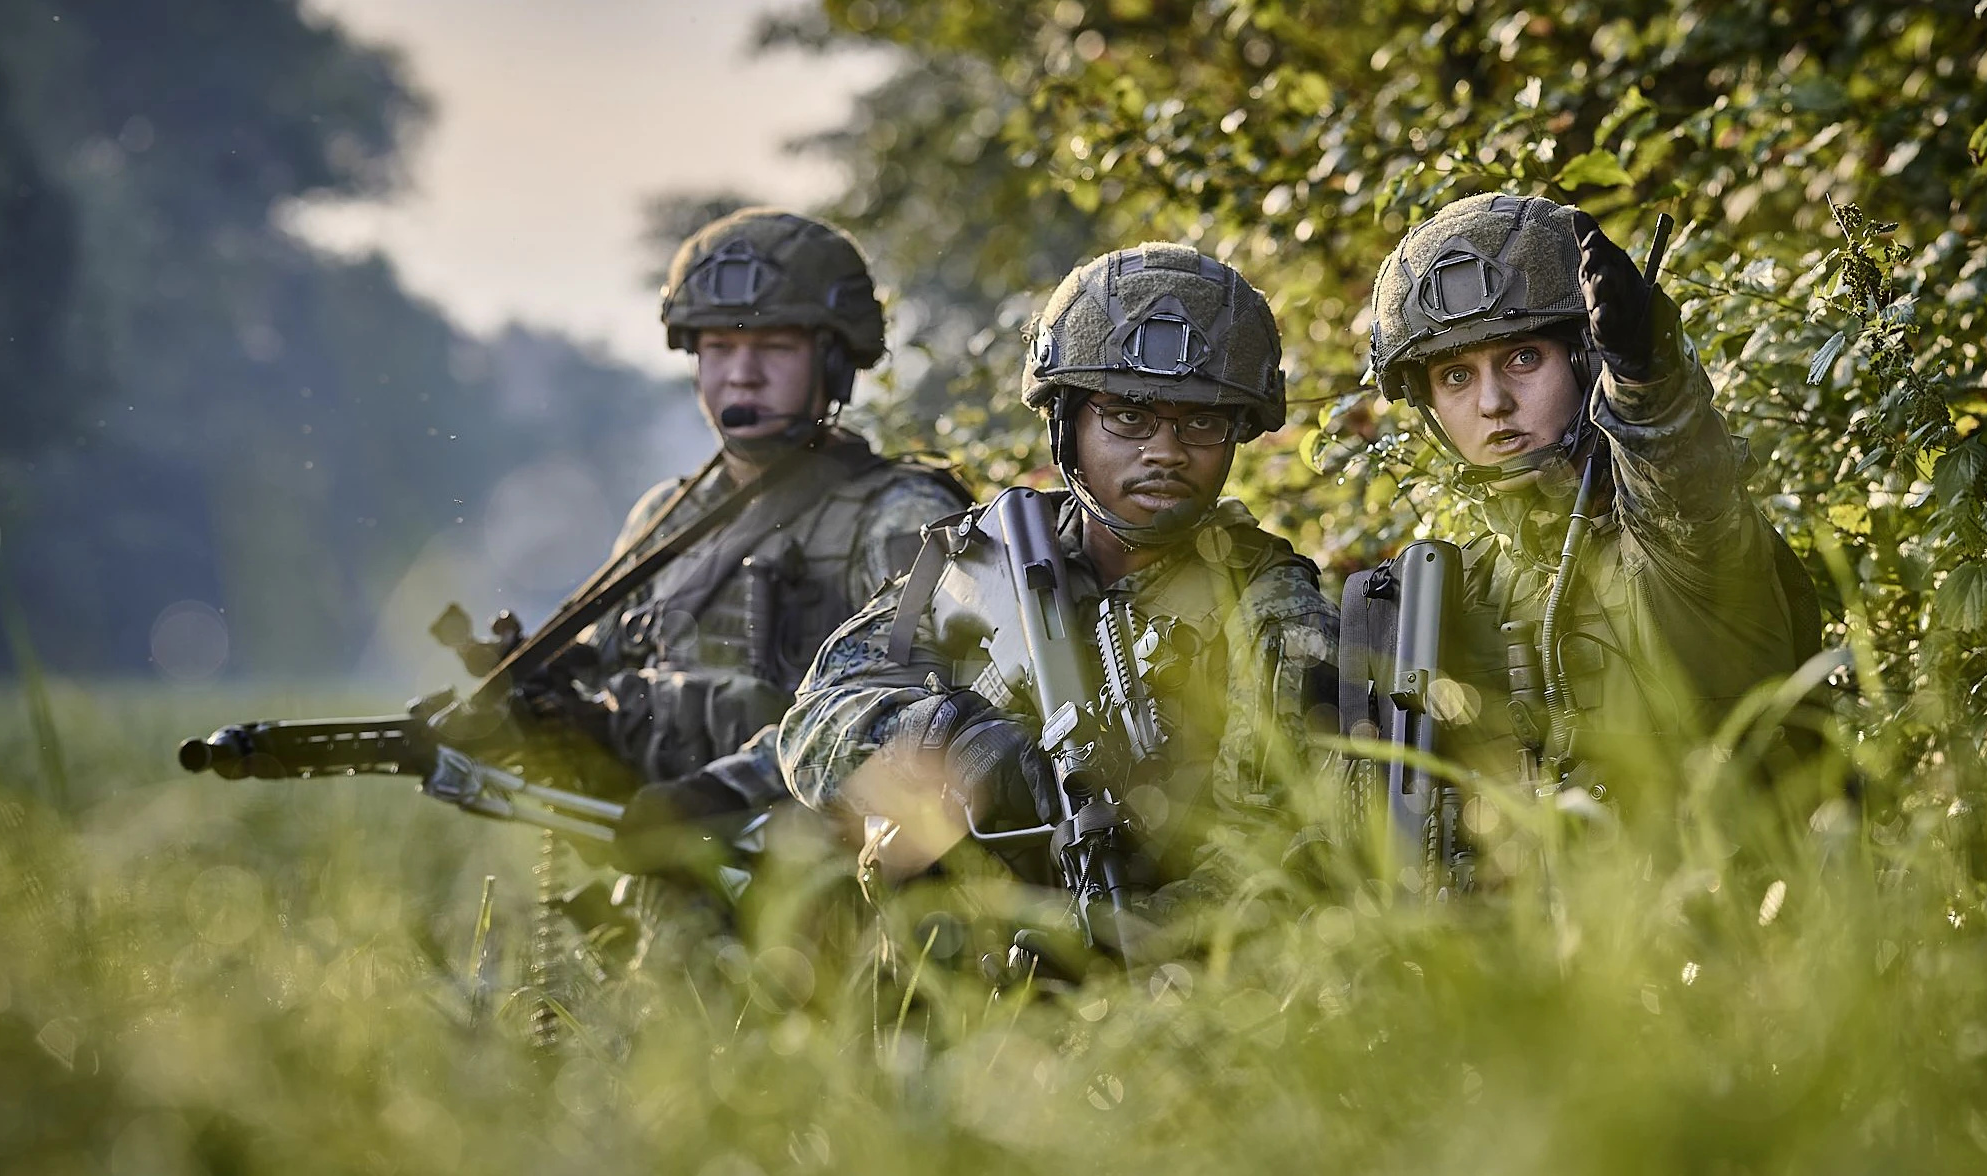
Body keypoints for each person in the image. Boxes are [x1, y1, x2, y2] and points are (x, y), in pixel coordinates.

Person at [775, 242, 1337, 925]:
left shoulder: (1269, 605)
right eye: (1128, 416)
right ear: (1066, 422)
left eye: (1203, 421)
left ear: (1237, 433)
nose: (1165, 449)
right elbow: (812, 729)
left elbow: (1277, 846)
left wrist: (1117, 935)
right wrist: (947, 737)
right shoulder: (981, 561)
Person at [1352, 192, 1822, 814]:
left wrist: (1643, 377)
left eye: (1523, 358)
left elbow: (1681, 482)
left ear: (1584, 359)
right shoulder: (1451, 595)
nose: (1493, 402)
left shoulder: (1678, 552)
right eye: (1456, 377)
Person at [559, 207, 971, 902]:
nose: (741, 375)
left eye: (774, 347)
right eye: (718, 347)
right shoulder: (666, 518)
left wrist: (724, 789)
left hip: (830, 894)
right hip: (670, 891)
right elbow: (615, 680)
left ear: (833, 361)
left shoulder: (901, 514)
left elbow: (931, 718)